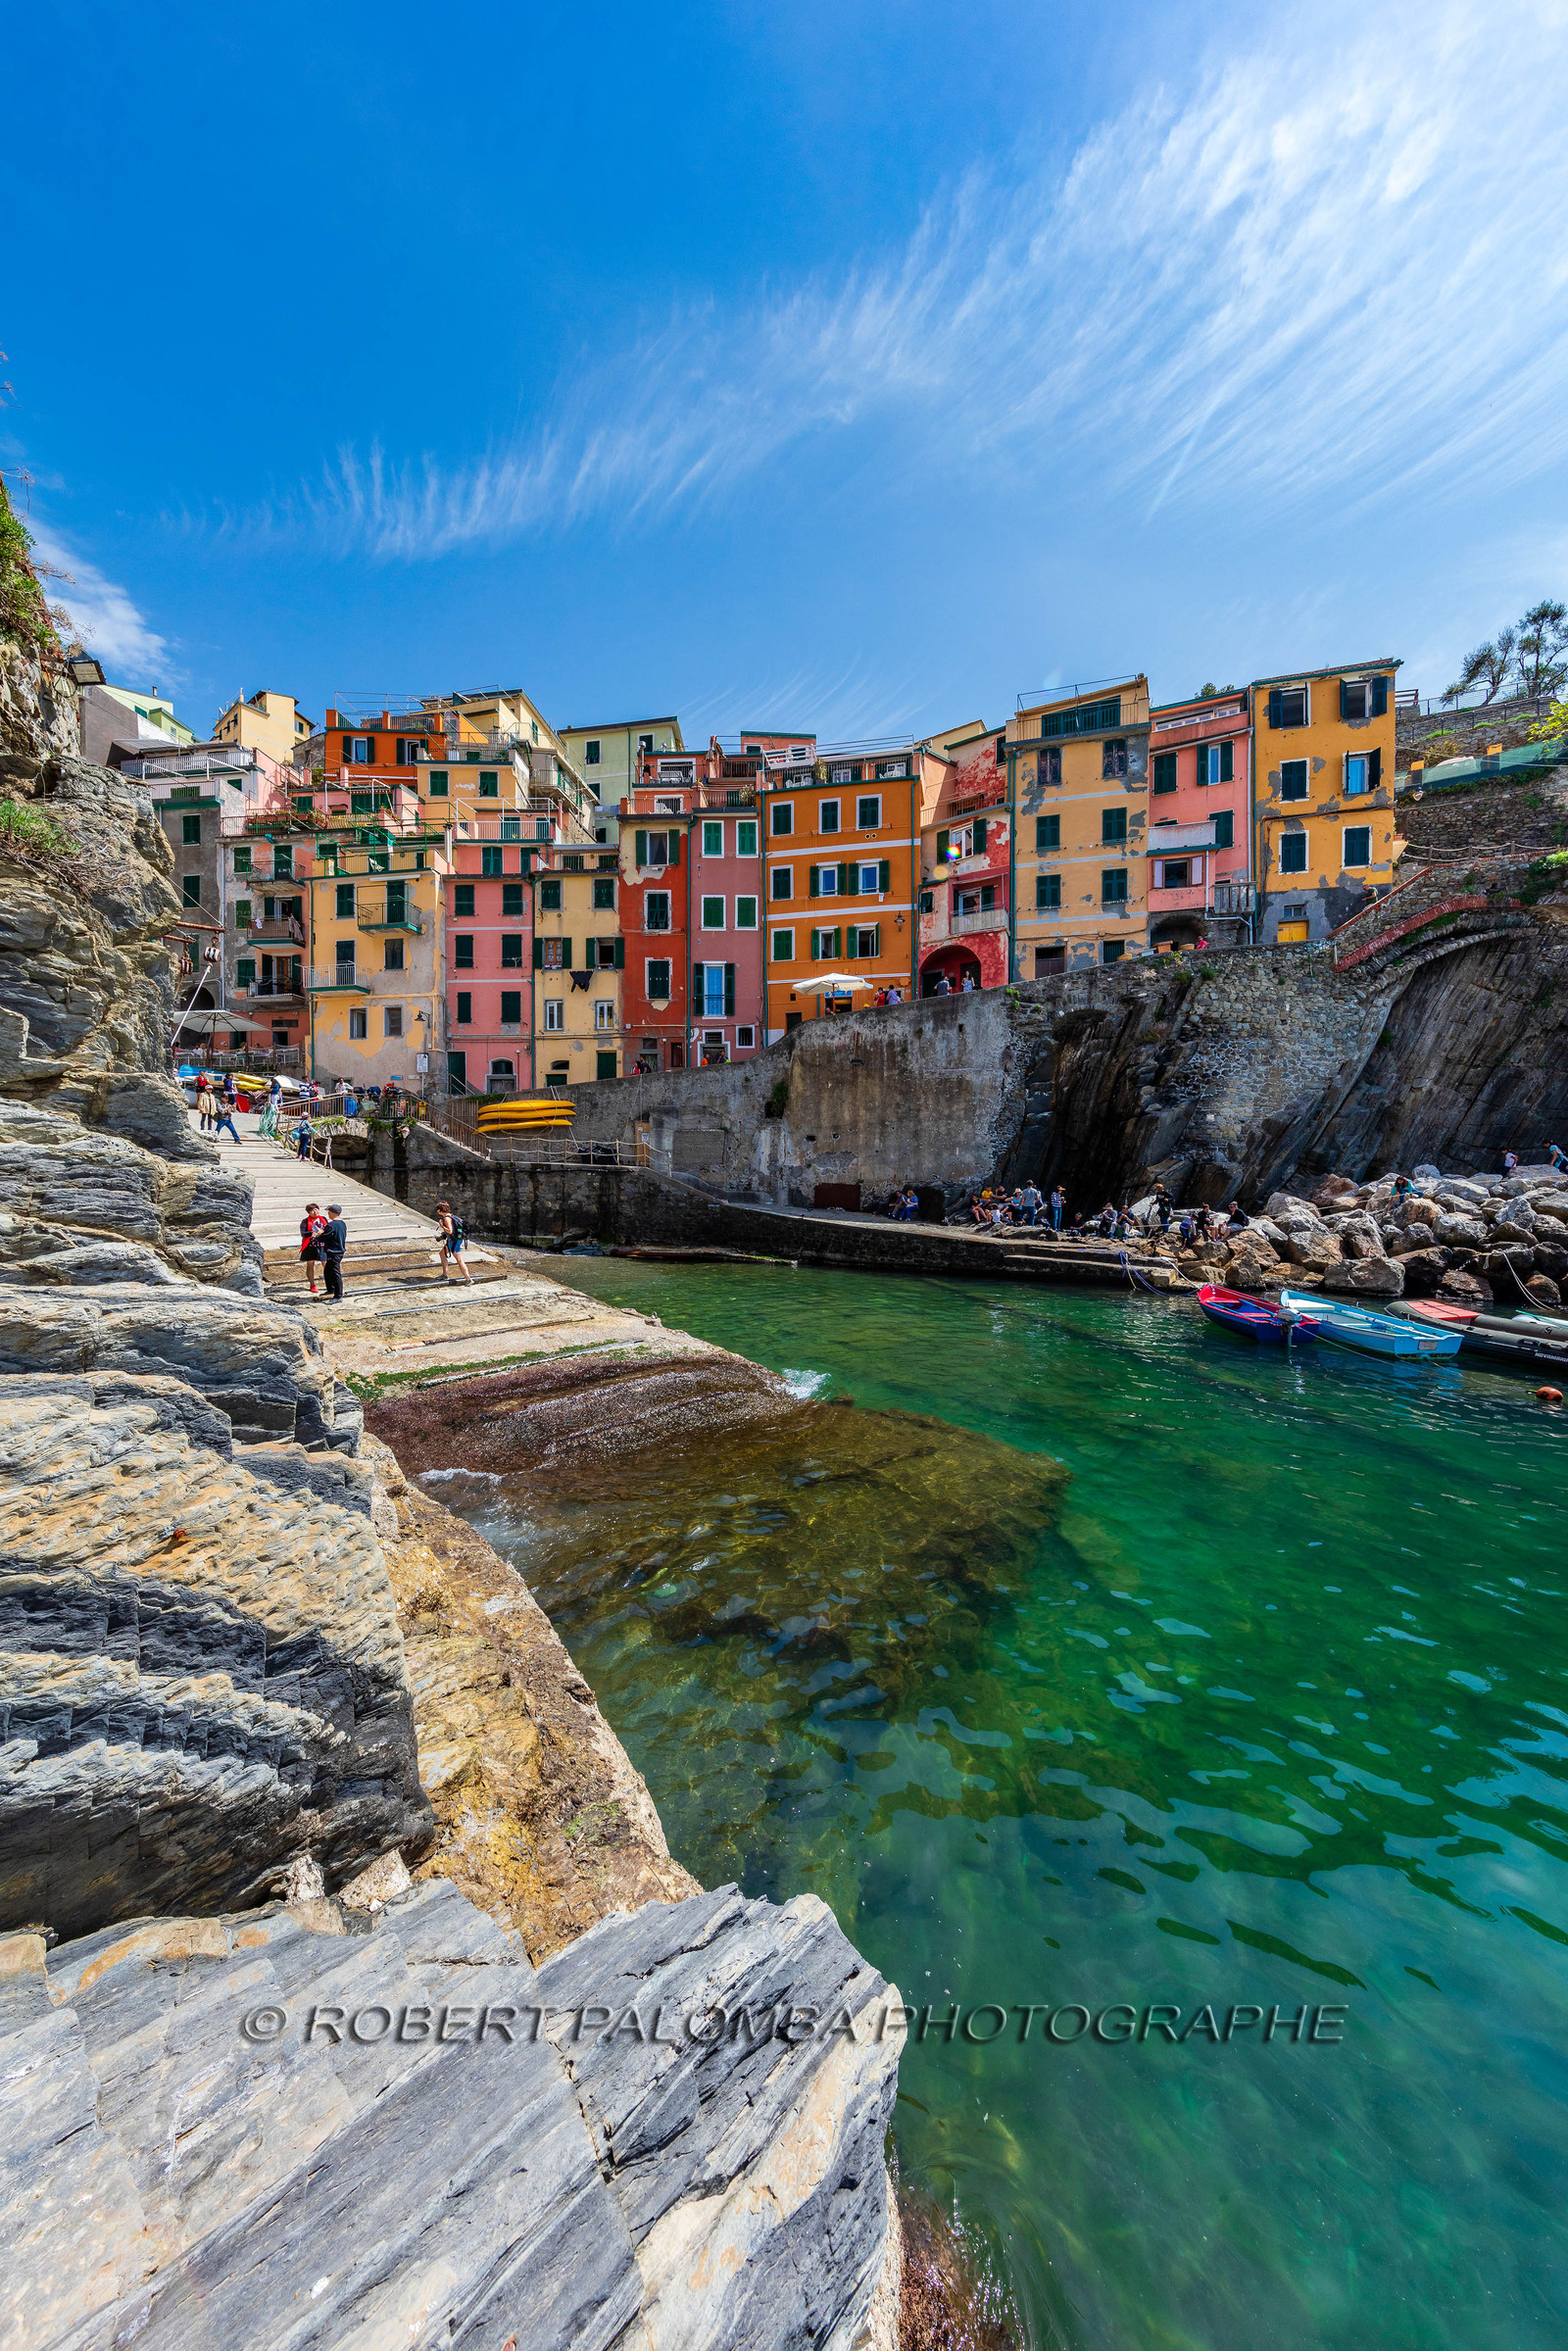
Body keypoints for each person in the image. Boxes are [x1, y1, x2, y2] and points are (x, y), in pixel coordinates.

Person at [436, 1199, 472, 1286]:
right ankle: (445, 1274)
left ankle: (468, 1279)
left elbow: (450, 1231)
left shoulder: (447, 1219)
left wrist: (442, 1226)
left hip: (454, 1242)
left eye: (437, 1209)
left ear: (439, 1210)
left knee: (459, 1260)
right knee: (442, 1254)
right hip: (454, 1240)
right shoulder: (451, 1216)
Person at [299, 1200, 327, 1298]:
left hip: (322, 1245)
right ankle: (312, 1284)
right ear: (308, 1212)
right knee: (310, 1264)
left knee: (326, 1264)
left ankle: (329, 1283)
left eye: (316, 1209)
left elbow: (327, 1228)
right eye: (312, 1210)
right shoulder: (305, 1221)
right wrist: (312, 1233)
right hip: (310, 1245)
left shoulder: (323, 1219)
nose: (315, 1212)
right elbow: (303, 1233)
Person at [318, 1202, 347, 1298]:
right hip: (338, 1251)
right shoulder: (342, 1224)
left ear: (332, 1212)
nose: (328, 1214)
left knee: (335, 1273)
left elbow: (323, 1238)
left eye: (329, 1212)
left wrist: (317, 1235)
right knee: (328, 1271)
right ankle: (331, 1289)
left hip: (334, 1252)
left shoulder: (331, 1225)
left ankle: (338, 1295)